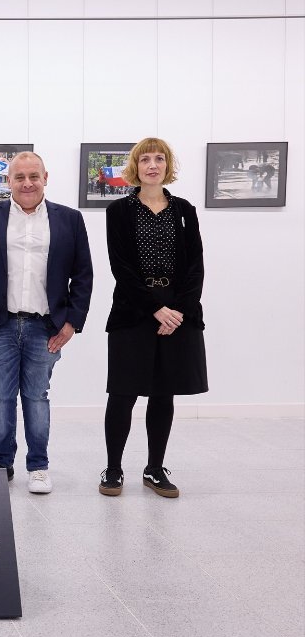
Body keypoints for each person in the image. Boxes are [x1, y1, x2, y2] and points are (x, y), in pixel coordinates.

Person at [0, 152, 93, 494]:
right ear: (9, 181)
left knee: (36, 397)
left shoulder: (69, 219)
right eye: (19, 177)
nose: (27, 183)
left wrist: (72, 322)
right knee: (1, 397)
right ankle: (1, 462)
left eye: (34, 176)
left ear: (46, 177)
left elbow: (83, 274)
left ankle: (39, 466)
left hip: (45, 327)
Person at [100, 137, 207, 498]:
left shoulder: (184, 210)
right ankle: (113, 470)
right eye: (145, 159)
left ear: (167, 165)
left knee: (164, 394)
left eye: (159, 159)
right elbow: (121, 267)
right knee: (123, 393)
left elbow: (195, 266)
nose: (152, 165)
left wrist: (178, 310)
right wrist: (155, 308)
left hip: (178, 313)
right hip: (134, 311)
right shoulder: (119, 211)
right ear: (135, 167)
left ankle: (154, 468)